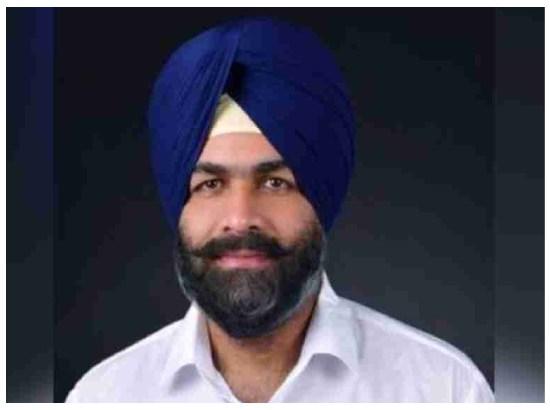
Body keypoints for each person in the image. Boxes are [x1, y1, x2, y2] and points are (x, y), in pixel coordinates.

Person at [66, 17, 494, 403]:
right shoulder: (104, 396)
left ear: (321, 200)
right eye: (210, 185)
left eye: (275, 183)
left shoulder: (444, 390)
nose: (241, 217)